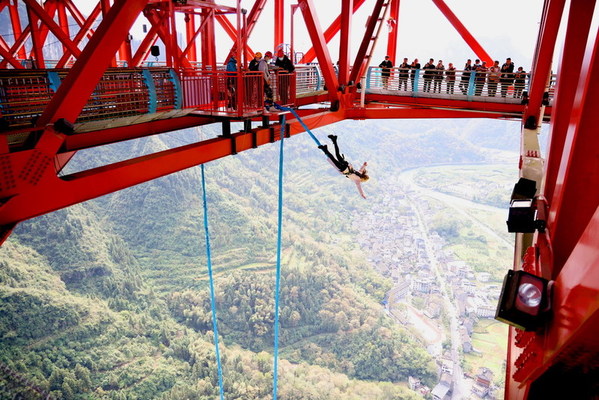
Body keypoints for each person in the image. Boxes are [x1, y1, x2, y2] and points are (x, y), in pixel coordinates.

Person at [318, 134, 369, 199]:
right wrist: (362, 195)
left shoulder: (360, 173)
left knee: (337, 155)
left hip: (346, 165)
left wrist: (364, 165)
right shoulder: (358, 181)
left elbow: (362, 168)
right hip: (344, 169)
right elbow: (359, 188)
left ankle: (331, 142)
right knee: (333, 159)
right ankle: (327, 146)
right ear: (363, 179)